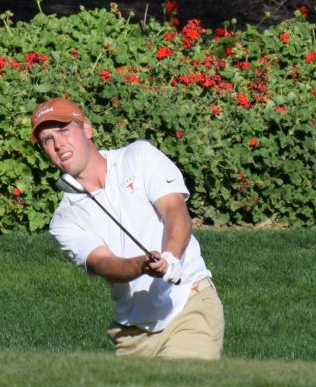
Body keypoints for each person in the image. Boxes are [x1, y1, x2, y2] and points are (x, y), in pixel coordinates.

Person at [32, 97, 223, 358]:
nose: (58, 144)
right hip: (132, 334)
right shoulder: (64, 219)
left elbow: (175, 210)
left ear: (86, 129)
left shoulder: (138, 156)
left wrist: (170, 257)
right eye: (47, 140)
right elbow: (105, 264)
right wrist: (142, 265)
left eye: (64, 130)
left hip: (188, 305)